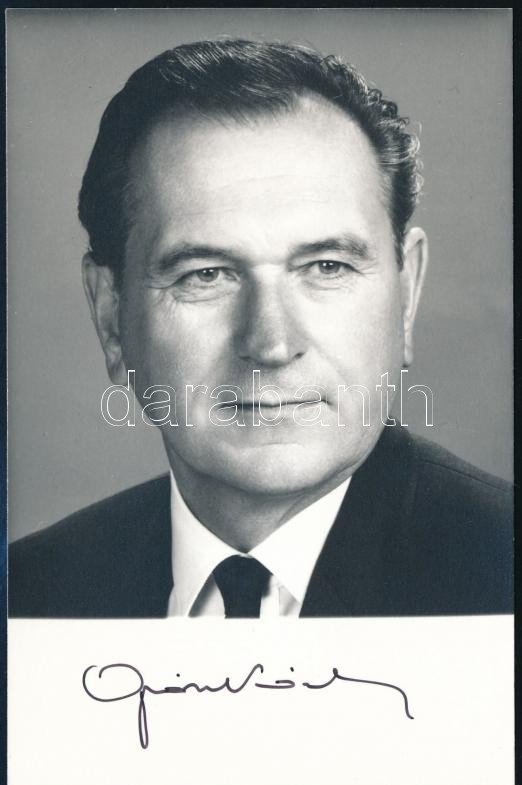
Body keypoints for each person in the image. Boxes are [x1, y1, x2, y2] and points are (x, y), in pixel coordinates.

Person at [8, 39, 512, 618]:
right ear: (110, 315)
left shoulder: (502, 571)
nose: (271, 344)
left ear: (406, 296)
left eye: (327, 267)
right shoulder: (28, 597)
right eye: (206, 275)